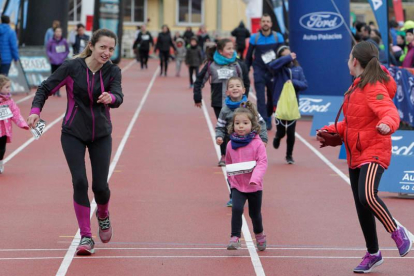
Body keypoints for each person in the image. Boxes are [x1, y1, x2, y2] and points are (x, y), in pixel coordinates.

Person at [317, 41, 412, 273]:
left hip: (374, 150)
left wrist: (386, 124)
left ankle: (399, 232)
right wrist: (333, 129)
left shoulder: (373, 87)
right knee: (362, 205)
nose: (347, 61)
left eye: (349, 57)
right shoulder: (357, 86)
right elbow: (353, 123)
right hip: (356, 152)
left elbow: (390, 113)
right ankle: (373, 253)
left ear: (355, 61)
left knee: (368, 196)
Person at [27, 29, 123, 256]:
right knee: (80, 182)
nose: (107, 52)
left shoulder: (113, 71)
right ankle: (86, 236)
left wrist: (111, 98)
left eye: (111, 48)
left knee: (100, 186)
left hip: (100, 134)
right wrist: (35, 110)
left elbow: (118, 95)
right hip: (72, 133)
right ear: (91, 46)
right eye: (103, 47)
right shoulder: (72, 67)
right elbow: (45, 88)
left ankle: (103, 214)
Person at [193, 38, 250, 166]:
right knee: (224, 128)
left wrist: (244, 98)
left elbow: (245, 82)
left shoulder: (238, 64)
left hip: (237, 102)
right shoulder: (211, 65)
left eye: (232, 48)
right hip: (219, 102)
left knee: (236, 128)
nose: (231, 51)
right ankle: (224, 155)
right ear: (220, 51)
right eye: (228, 49)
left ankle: (237, 153)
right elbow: (199, 80)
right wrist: (197, 96)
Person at [215, 77, 267, 207]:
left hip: (250, 145)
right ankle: (234, 195)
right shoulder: (225, 109)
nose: (234, 88)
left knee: (250, 171)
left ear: (243, 90)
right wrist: (219, 136)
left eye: (237, 86)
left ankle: (252, 192)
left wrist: (263, 138)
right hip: (233, 145)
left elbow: (261, 122)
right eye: (231, 86)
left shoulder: (250, 107)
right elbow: (220, 126)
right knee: (232, 171)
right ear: (227, 92)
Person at [225, 101, 268, 251]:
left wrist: (255, 179)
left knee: (254, 214)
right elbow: (228, 162)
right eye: (237, 123)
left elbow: (262, 162)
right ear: (233, 125)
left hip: (254, 186)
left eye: (245, 123)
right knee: (236, 209)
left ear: (253, 125)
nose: (241, 126)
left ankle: (260, 235)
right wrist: (231, 179)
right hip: (238, 185)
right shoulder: (230, 144)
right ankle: (235, 237)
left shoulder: (258, 144)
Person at [268, 46, 307, 164]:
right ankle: (278, 136)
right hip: (279, 103)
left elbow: (304, 84)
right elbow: (271, 66)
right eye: (284, 56)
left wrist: (293, 82)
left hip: (292, 104)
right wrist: (286, 58)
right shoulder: (278, 69)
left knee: (291, 131)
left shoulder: (298, 69)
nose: (289, 58)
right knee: (281, 130)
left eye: (290, 54)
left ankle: (289, 155)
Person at [245, 13, 284, 130]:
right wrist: (245, 72)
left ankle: (268, 115)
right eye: (263, 21)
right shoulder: (254, 38)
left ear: (271, 24)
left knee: (272, 97)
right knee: (260, 98)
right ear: (260, 23)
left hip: (273, 71)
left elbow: (282, 54)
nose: (266, 23)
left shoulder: (278, 37)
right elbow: (248, 57)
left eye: (268, 21)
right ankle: (264, 120)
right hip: (259, 70)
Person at [0, 75, 29, 174]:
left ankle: (0, 162)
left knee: (2, 149)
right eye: (7, 87)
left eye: (9, 87)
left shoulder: (10, 101)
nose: (9, 89)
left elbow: (16, 113)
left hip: (4, 130)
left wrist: (23, 124)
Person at [46, 27, 70, 97]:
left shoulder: (64, 41)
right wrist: (51, 56)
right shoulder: (51, 41)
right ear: (54, 33)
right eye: (57, 31)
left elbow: (67, 50)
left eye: (60, 31)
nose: (58, 33)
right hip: (53, 62)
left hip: (60, 62)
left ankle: (58, 91)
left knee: (60, 78)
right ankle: (53, 90)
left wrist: (63, 56)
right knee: (53, 77)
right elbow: (48, 50)